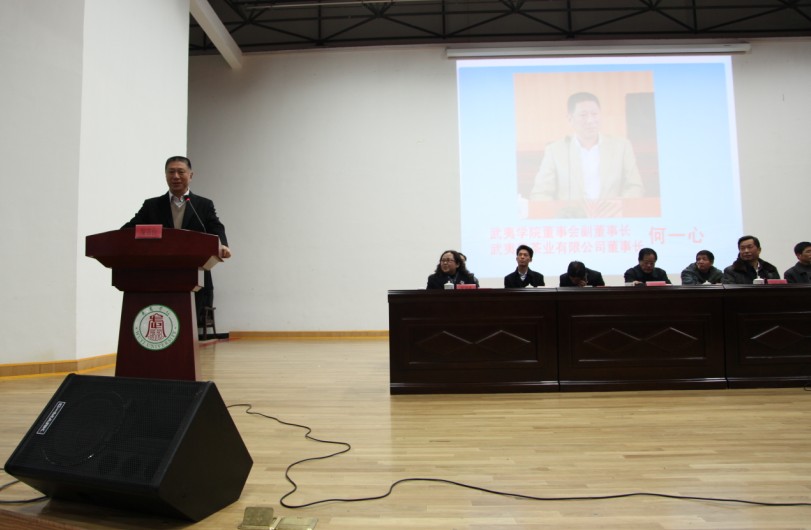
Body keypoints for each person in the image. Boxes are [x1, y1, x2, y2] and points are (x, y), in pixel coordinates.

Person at [122, 156, 231, 325]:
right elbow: (129, 229)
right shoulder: (152, 205)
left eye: (181, 172)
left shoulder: (203, 205)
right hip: (159, 275)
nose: (176, 176)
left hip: (195, 275)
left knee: (190, 325)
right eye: (171, 172)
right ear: (165, 175)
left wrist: (223, 245)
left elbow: (215, 227)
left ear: (191, 175)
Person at [529, 92, 644, 202]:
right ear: (570, 119)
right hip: (571, 214)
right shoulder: (555, 151)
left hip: (611, 213)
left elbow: (635, 186)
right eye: (583, 115)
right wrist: (558, 211)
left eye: (594, 114)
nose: (590, 120)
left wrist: (619, 204)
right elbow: (540, 193)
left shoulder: (622, 147)